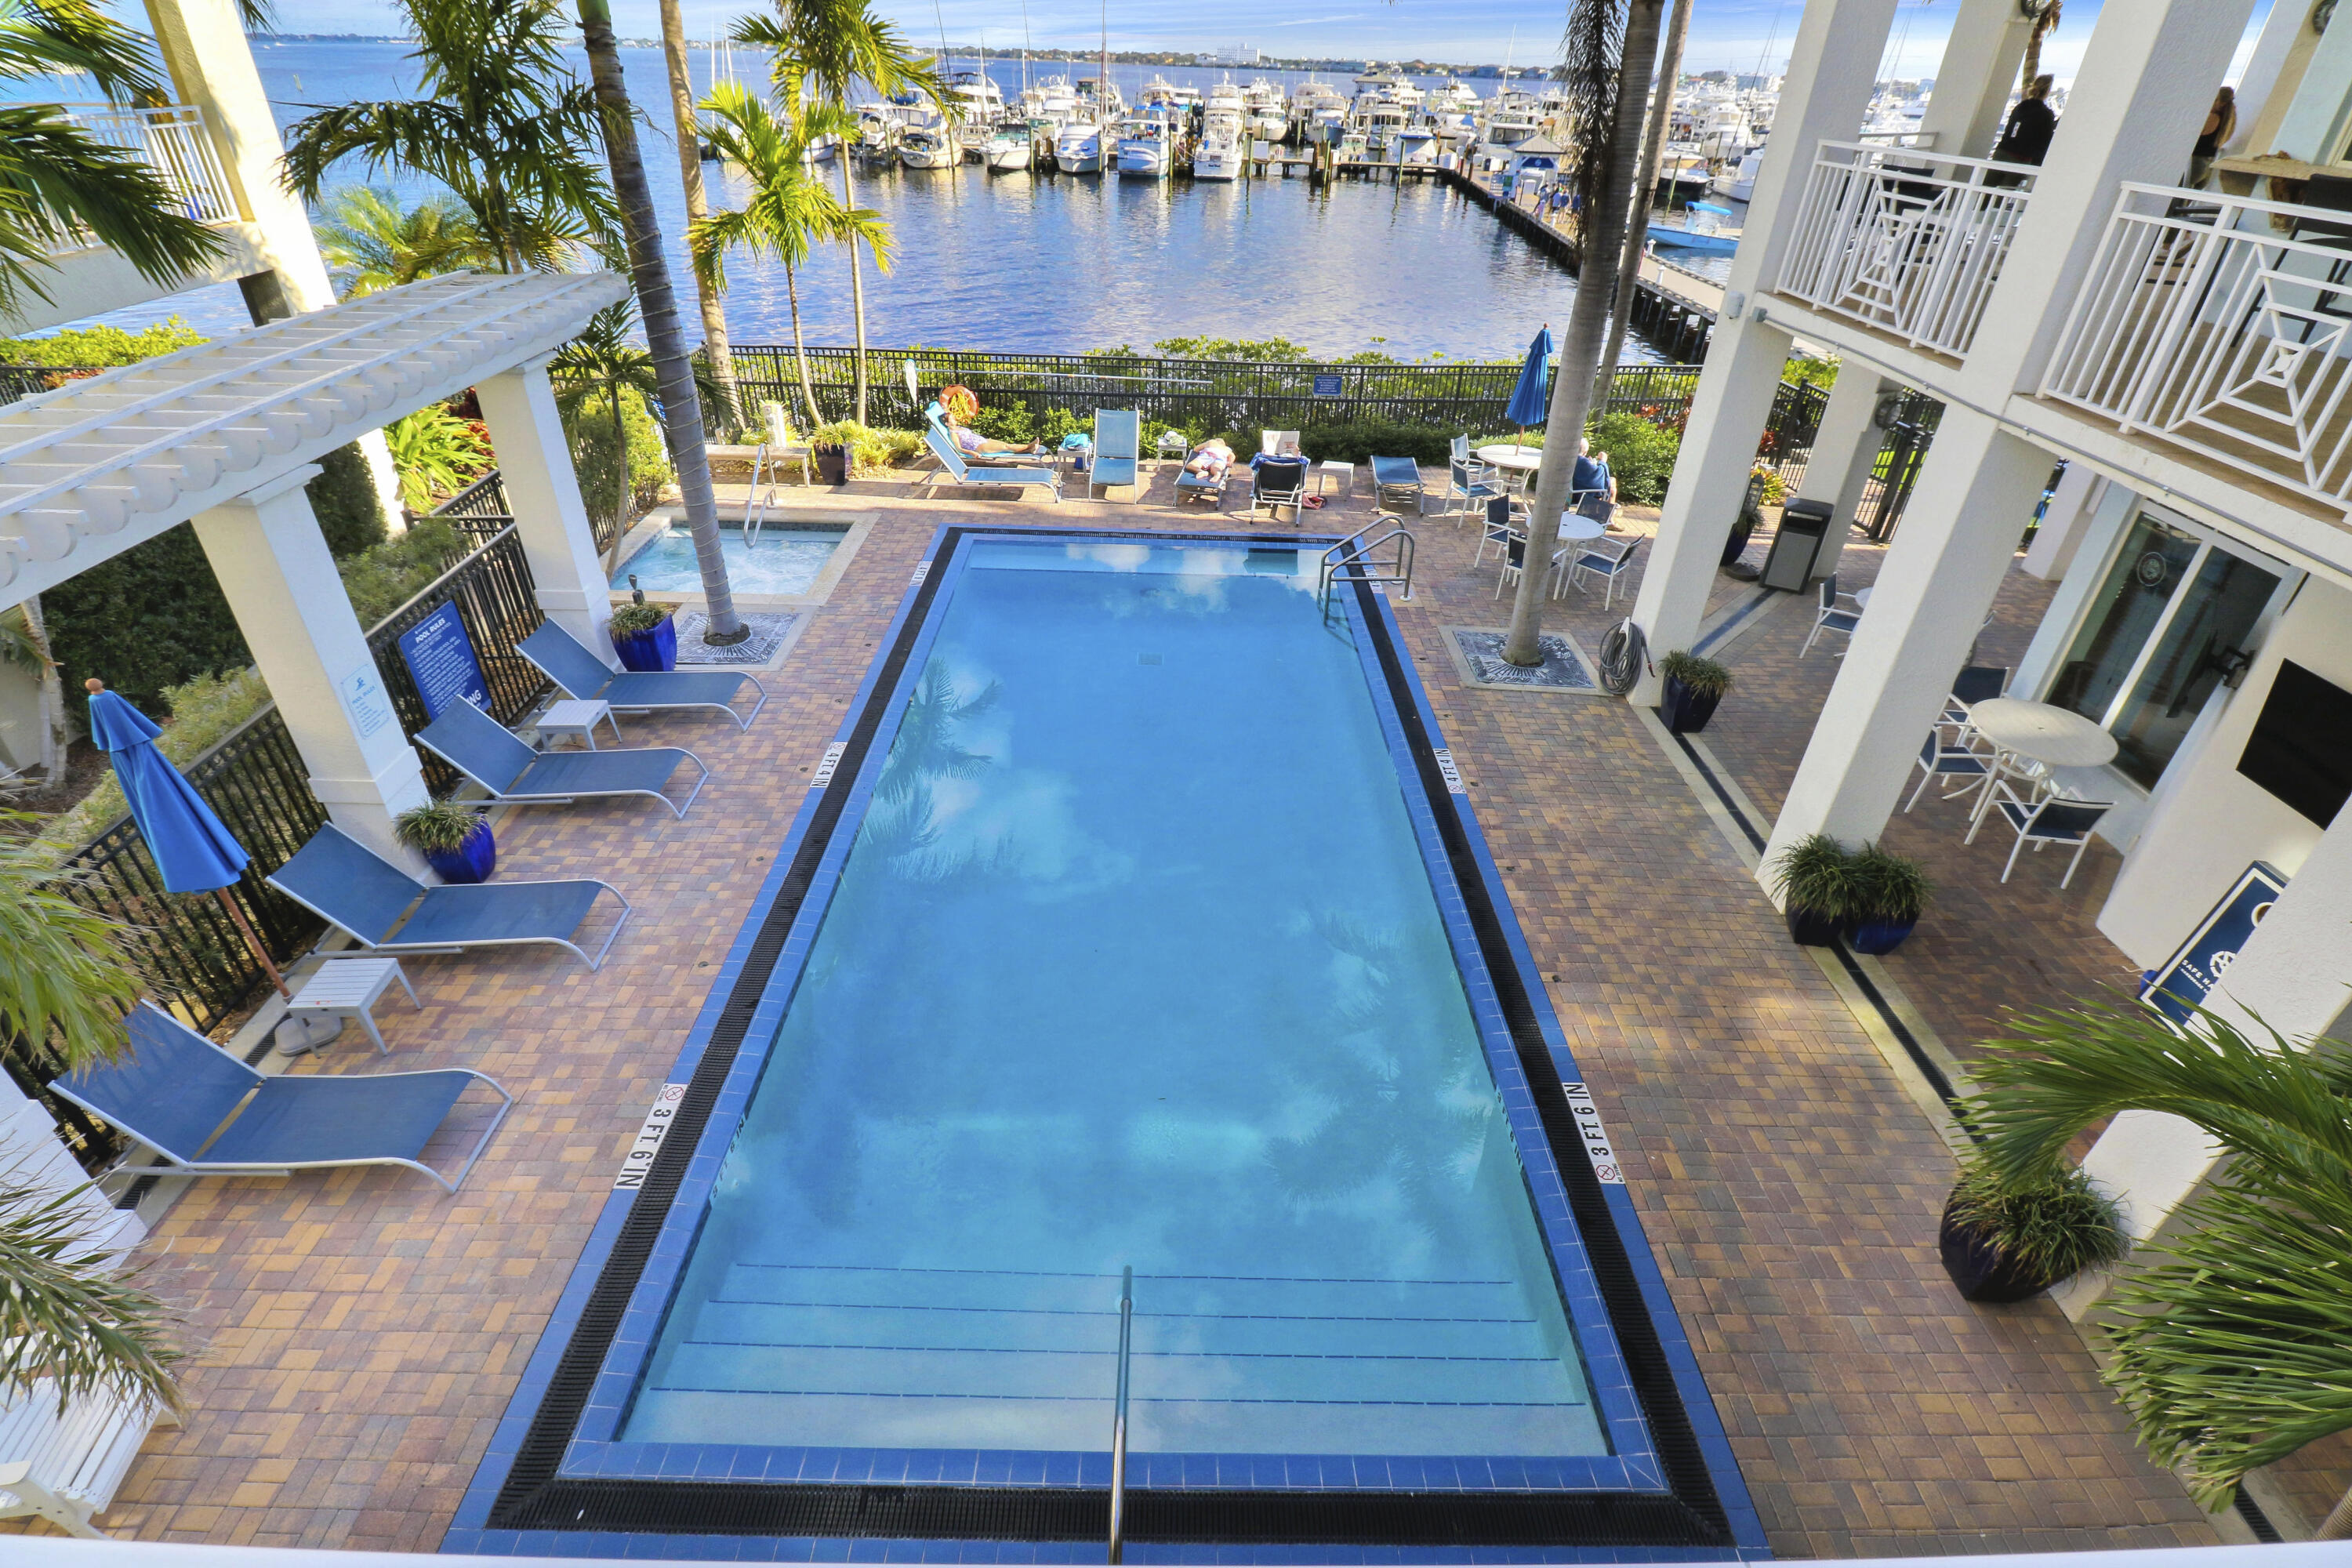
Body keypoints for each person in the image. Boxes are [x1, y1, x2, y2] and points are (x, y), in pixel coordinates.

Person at [1994, 74, 2059, 169]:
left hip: (2002, 152)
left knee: (1988, 183)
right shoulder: (2046, 114)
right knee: (2009, 185)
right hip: (2022, 158)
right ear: (2047, 91)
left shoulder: (2020, 107)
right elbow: (2045, 141)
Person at [942, 408, 1043, 456]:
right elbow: (959, 449)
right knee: (1006, 447)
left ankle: (1030, 449)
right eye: (952, 419)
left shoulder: (958, 427)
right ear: (947, 424)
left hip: (981, 440)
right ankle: (1030, 445)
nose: (955, 419)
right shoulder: (953, 433)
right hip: (977, 447)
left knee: (1006, 445)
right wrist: (972, 453)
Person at [2190, 85, 2236, 189]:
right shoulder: (2228, 121)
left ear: (2221, 103)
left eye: (2214, 99)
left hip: (2195, 164)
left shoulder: (2212, 117)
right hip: (2207, 166)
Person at [1570, 437, 1617, 524]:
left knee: (1611, 483)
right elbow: (1596, 480)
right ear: (1585, 452)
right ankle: (1608, 518)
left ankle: (1607, 517)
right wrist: (1603, 461)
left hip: (1567, 492)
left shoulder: (1568, 458)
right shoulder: (1582, 462)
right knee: (1611, 486)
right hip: (1578, 496)